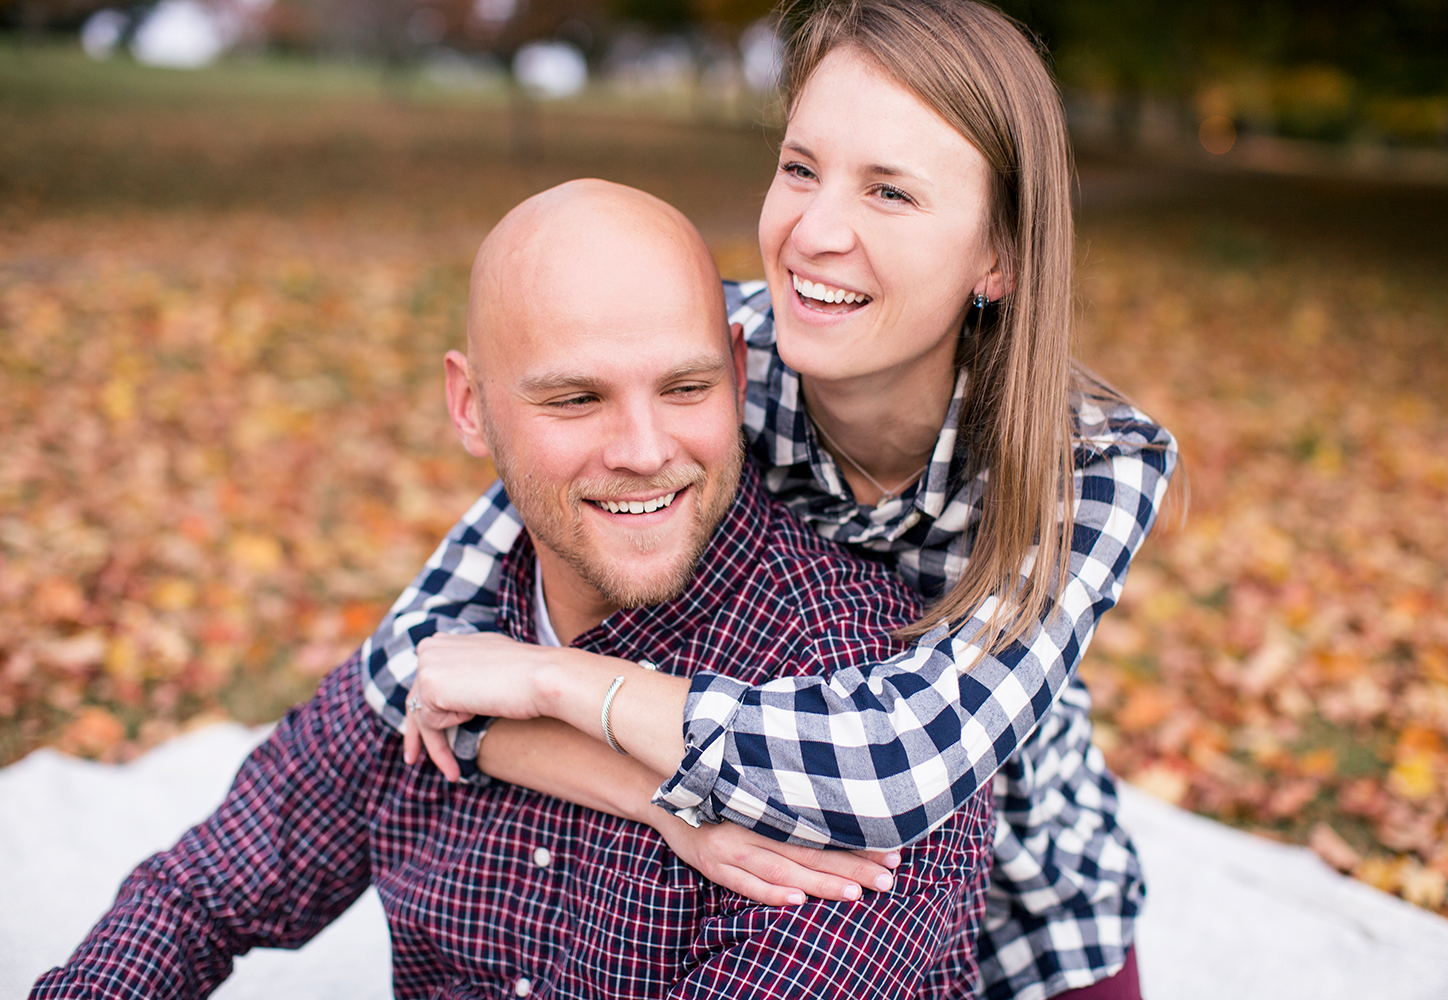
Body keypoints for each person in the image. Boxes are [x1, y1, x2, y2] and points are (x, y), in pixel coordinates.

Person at [376, 2, 1176, 998]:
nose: (814, 232)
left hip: (1033, 918)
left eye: (890, 191)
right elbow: (408, 663)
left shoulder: (1086, 461)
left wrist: (549, 684)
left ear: (997, 256)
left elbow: (897, 767)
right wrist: (656, 800)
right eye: (801, 168)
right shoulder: (701, 366)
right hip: (782, 885)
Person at [32, 180, 998, 1000]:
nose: (645, 452)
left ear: (742, 377)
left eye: (685, 388)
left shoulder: (868, 705)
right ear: (471, 405)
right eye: (575, 399)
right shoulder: (451, 636)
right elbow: (197, 896)